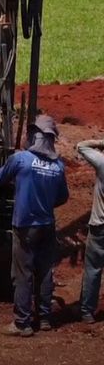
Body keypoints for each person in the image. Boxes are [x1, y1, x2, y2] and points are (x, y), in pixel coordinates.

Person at [0, 114, 69, 337]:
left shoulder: (21, 159)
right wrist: (45, 201)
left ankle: (22, 323)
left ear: (33, 136)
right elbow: (63, 197)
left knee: (23, 273)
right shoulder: (58, 166)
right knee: (45, 271)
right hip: (47, 224)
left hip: (25, 226)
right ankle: (45, 318)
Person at [76, 138, 104, 324]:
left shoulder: (102, 163)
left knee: (93, 269)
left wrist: (101, 142)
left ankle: (87, 311)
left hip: (99, 225)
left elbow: (81, 146)